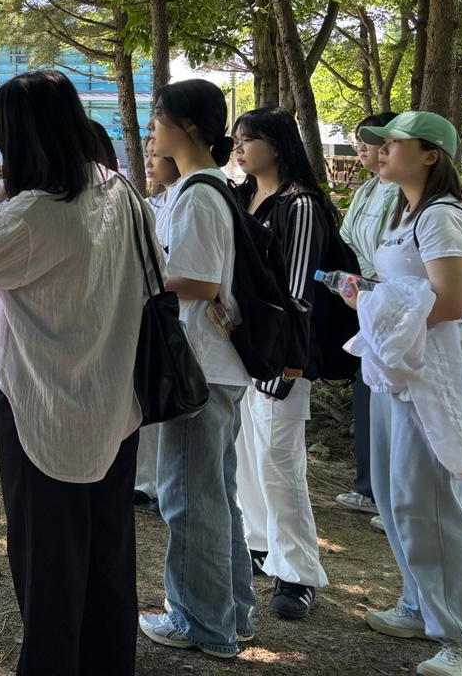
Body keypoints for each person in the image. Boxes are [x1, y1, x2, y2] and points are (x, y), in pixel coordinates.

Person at [0, 70, 154, 676]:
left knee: (48, 563)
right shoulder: (118, 190)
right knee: (108, 554)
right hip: (113, 397)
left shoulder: (35, 213)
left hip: (42, 409)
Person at [352, 111, 462, 676]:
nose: (381, 149)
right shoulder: (404, 211)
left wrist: (376, 302)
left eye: (394, 142)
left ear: (431, 154)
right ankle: (421, 603)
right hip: (402, 363)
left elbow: (452, 301)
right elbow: (407, 289)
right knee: (395, 494)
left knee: (428, 500)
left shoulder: (441, 216)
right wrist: (366, 294)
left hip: (439, 366)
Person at [139, 78, 255, 659]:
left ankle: (202, 624)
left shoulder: (198, 193)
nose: (151, 130)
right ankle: (233, 613)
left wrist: (141, 273)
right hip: (213, 366)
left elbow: (200, 282)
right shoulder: (208, 188)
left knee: (189, 497)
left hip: (200, 368)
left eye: (157, 119)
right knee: (214, 494)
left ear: (186, 126)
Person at [230, 105, 332, 619]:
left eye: (248, 139)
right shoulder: (241, 196)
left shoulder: (301, 204)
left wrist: (286, 363)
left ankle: (297, 573)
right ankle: (261, 543)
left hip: (281, 353)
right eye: (236, 139)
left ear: (277, 143)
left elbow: (298, 295)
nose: (239, 147)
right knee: (248, 456)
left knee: (279, 463)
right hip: (240, 348)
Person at [336, 110, 399, 517]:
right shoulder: (367, 189)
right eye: (358, 139)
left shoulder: (406, 192)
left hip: (391, 301)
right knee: (367, 389)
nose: (361, 146)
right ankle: (369, 488)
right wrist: (356, 279)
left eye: (370, 140)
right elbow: (347, 238)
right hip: (362, 298)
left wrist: (372, 279)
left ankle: (393, 498)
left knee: (392, 395)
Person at [134, 134, 181, 507]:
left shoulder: (188, 199)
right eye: (147, 155)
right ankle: (146, 479)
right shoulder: (148, 205)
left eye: (157, 155)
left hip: (172, 311)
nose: (149, 161)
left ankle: (160, 481)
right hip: (147, 308)